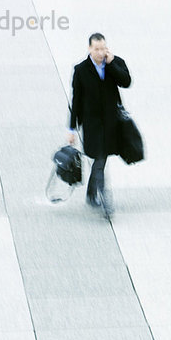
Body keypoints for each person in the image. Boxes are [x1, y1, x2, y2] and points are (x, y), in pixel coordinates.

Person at [68, 32, 131, 217]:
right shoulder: (80, 70)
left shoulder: (114, 62)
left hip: (111, 123)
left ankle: (91, 192)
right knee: (100, 157)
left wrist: (112, 65)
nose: (100, 52)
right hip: (92, 125)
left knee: (100, 160)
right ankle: (105, 201)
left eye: (103, 48)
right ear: (89, 49)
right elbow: (76, 100)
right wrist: (71, 128)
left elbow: (126, 82)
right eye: (97, 49)